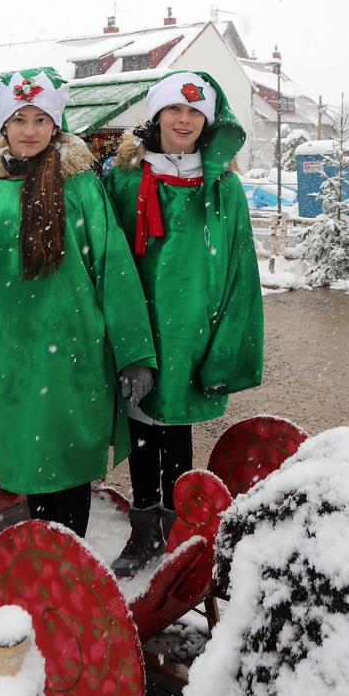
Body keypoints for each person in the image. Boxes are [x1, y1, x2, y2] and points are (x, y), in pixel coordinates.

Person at [0, 67, 156, 537]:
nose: (29, 130)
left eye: (40, 120)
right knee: (31, 457)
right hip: (14, 353)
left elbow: (114, 268)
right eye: (19, 119)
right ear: (3, 126)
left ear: (56, 125)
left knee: (71, 458)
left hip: (74, 345)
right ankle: (48, 555)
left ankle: (72, 556)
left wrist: (132, 353)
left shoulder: (80, 185)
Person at [102, 71, 265, 575]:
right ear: (156, 115)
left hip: (193, 328)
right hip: (140, 322)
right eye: (175, 109)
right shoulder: (125, 180)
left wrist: (227, 340)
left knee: (176, 427)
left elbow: (241, 267)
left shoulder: (224, 186)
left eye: (196, 112)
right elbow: (107, 259)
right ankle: (145, 527)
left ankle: (176, 527)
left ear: (208, 120)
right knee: (143, 425)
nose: (184, 119)